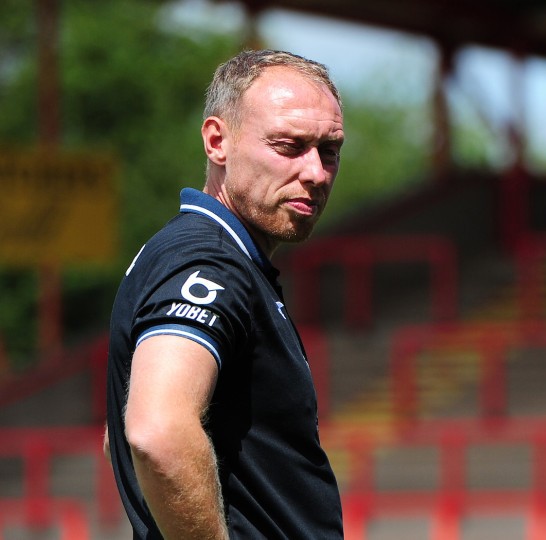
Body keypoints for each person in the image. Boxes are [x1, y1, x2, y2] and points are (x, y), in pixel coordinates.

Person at [104, 49, 345, 539]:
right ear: (218, 142)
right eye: (289, 146)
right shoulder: (208, 262)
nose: (316, 172)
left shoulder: (210, 254)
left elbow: (121, 435)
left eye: (329, 150)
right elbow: (155, 431)